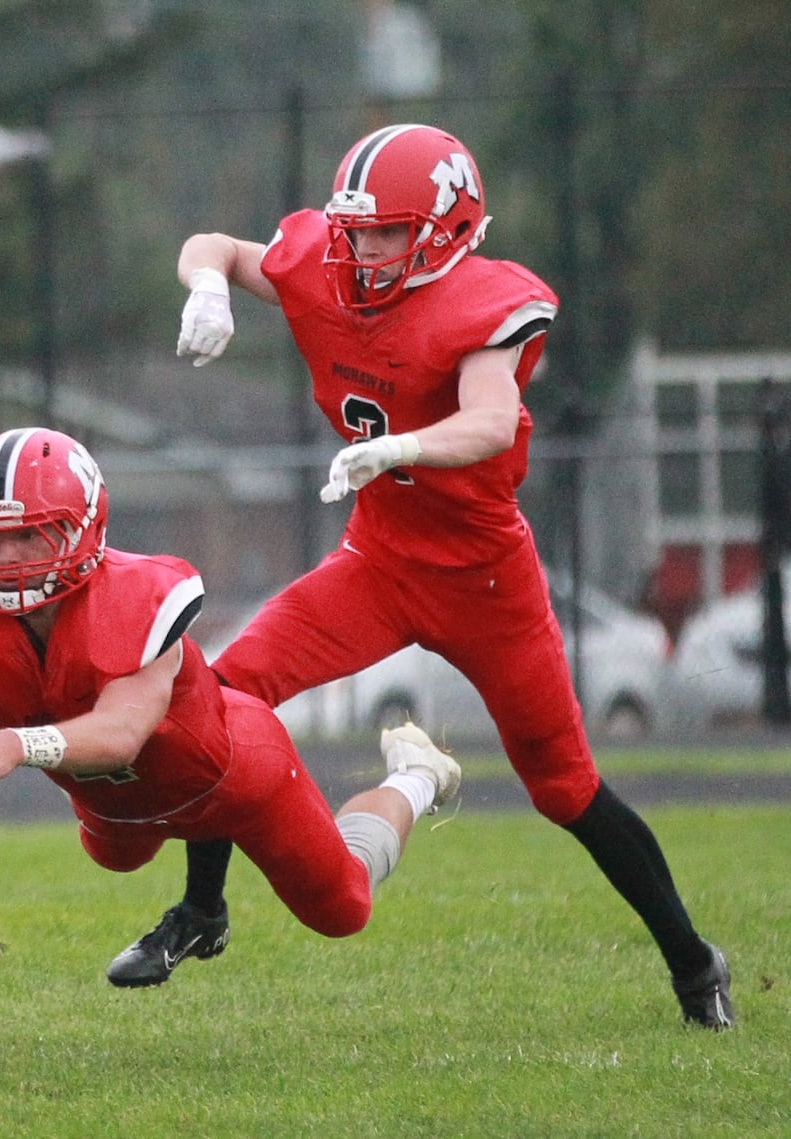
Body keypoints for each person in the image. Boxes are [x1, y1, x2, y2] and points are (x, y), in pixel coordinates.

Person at [146, 122, 734, 1029]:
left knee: (565, 789)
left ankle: (696, 965)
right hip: (377, 564)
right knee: (219, 694)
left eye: (388, 231)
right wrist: (209, 289)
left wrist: (403, 447)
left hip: (485, 582)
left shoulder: (481, 304)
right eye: (358, 227)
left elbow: (492, 421)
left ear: (449, 229)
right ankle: (202, 910)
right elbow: (215, 244)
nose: (364, 246)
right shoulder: (322, 265)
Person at [0, 426, 461, 983]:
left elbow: (122, 733)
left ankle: (414, 776)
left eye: (29, 536)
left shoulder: (140, 594)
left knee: (343, 907)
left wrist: (16, 744)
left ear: (83, 528)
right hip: (121, 810)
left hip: (235, 773)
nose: (6, 562)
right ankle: (203, 911)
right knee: (114, 855)